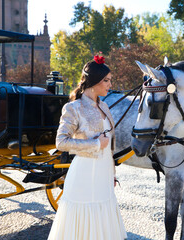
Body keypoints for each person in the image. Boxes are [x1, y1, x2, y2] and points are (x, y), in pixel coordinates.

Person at [48, 55, 127, 240]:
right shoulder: (73, 108)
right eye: (106, 80)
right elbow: (61, 142)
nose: (109, 84)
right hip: (83, 175)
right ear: (94, 81)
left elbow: (110, 145)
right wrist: (95, 144)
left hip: (104, 174)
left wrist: (112, 174)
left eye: (110, 80)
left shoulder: (105, 106)